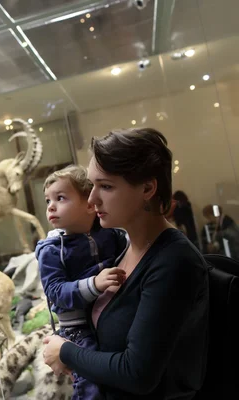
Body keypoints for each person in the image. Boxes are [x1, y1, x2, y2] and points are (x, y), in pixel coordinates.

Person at [42, 128, 209, 400]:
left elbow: (137, 373)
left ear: (147, 188)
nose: (93, 198)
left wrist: (66, 352)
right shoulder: (125, 246)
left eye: (106, 186)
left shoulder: (174, 261)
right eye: (92, 185)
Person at [36, 165, 128, 400]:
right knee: (90, 386)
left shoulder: (109, 234)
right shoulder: (52, 250)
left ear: (89, 204)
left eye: (61, 198)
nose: (51, 207)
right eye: (48, 200)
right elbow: (55, 291)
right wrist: (94, 284)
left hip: (108, 316)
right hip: (78, 328)